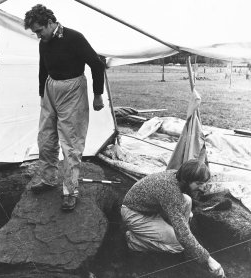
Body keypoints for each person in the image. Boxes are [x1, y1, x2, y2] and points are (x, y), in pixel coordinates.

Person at [24, 4, 105, 211]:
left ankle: (70, 190)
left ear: (50, 23)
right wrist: (43, 94)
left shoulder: (74, 38)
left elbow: (96, 65)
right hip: (51, 89)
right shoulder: (44, 42)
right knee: (45, 138)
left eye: (40, 31)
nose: (38, 36)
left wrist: (97, 95)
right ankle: (48, 178)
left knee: (71, 143)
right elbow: (43, 68)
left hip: (73, 90)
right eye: (35, 33)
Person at [121, 159, 225, 277]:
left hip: (151, 209)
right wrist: (209, 260)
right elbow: (183, 235)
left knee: (187, 200)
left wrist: (184, 234)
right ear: (186, 180)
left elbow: (181, 204)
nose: (202, 188)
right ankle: (134, 241)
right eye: (199, 183)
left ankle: (181, 239)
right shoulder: (170, 191)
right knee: (179, 245)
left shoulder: (177, 176)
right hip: (134, 214)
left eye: (204, 183)